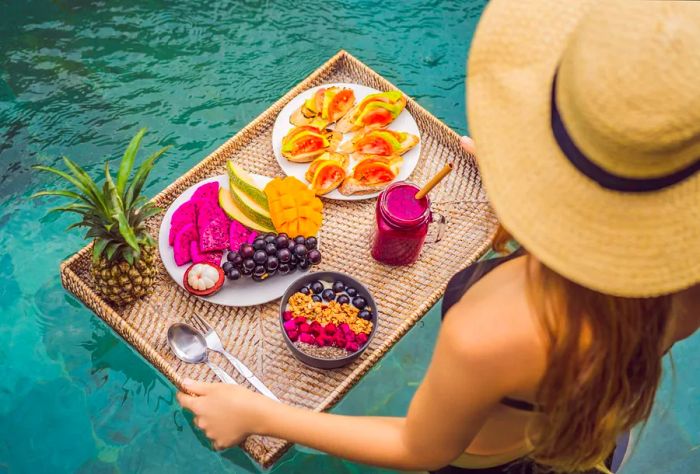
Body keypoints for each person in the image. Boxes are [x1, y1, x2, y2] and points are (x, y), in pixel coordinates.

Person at [177, 1, 700, 472]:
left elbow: (420, 447)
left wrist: (260, 413)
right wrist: (527, 189)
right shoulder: (685, 268)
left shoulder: (492, 328)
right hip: (591, 435)